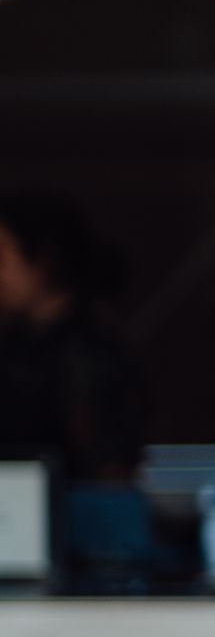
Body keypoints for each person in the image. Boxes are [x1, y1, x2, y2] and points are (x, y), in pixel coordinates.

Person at [0, 198, 142, 479]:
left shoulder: (87, 354)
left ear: (43, 263)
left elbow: (109, 470)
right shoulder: (20, 347)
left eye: (2, 260)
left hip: (71, 516)